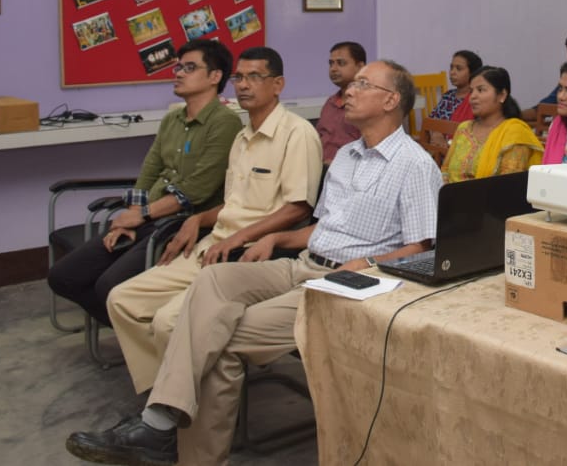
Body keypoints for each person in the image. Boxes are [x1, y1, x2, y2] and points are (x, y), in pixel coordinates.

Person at [65, 60, 441, 466]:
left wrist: (363, 264)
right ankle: (162, 426)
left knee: (220, 337)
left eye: (363, 83)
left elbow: (422, 249)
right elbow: (320, 229)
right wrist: (276, 237)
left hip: (349, 284)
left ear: (391, 100)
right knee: (214, 281)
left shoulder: (414, 164)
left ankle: (165, 432)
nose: (348, 89)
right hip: (302, 263)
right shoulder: (348, 156)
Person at [106, 46, 324, 395]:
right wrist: (198, 218)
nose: (244, 85)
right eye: (239, 77)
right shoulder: (241, 137)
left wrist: (236, 239)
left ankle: (181, 412)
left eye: (255, 77)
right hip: (213, 243)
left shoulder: (296, 134)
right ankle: (162, 398)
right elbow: (232, 203)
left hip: (249, 252)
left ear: (278, 84)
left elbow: (296, 209)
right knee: (122, 301)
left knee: (167, 322)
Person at [47, 40, 243, 326]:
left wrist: (142, 215)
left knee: (108, 287)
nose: (178, 73)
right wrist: (131, 217)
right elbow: (149, 171)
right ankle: (138, 334)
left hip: (179, 223)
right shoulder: (172, 119)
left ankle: (152, 339)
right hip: (148, 217)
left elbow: (196, 190)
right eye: (178, 66)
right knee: (62, 276)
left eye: (190, 67)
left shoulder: (224, 122)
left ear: (215, 77)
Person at [441, 66, 543, 183]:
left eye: (480, 90)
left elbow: (508, 185)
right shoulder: (463, 128)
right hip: (450, 197)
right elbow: (445, 169)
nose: (472, 97)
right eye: (471, 91)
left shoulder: (514, 134)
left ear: (502, 95)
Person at [315, 41, 364, 164]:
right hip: (322, 171)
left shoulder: (367, 104)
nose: (333, 69)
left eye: (341, 63)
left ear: (360, 66)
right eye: (331, 64)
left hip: (351, 174)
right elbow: (319, 139)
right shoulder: (330, 103)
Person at [427, 50, 483, 122]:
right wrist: (435, 131)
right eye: (451, 67)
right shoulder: (448, 96)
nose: (452, 72)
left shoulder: (476, 100)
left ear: (473, 73)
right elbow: (431, 120)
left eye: (459, 69)